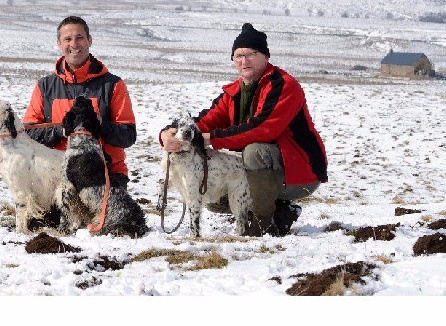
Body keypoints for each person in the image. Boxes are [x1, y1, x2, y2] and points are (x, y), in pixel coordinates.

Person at [160, 23, 328, 236]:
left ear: (266, 57)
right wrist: (169, 134)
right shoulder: (233, 93)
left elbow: (263, 129)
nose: (244, 60)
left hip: (300, 174)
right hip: (265, 172)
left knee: (254, 151)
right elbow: (202, 122)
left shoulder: (284, 85)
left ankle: (262, 223)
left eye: (251, 54)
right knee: (211, 193)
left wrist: (211, 138)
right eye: (238, 55)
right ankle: (280, 212)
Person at [24, 15, 137, 189]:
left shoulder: (113, 85)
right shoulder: (44, 87)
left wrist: (100, 126)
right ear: (59, 44)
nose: (74, 44)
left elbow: (128, 136)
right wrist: (61, 130)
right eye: (68, 39)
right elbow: (29, 132)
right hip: (55, 174)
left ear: (89, 41)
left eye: (79, 38)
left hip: (106, 175)